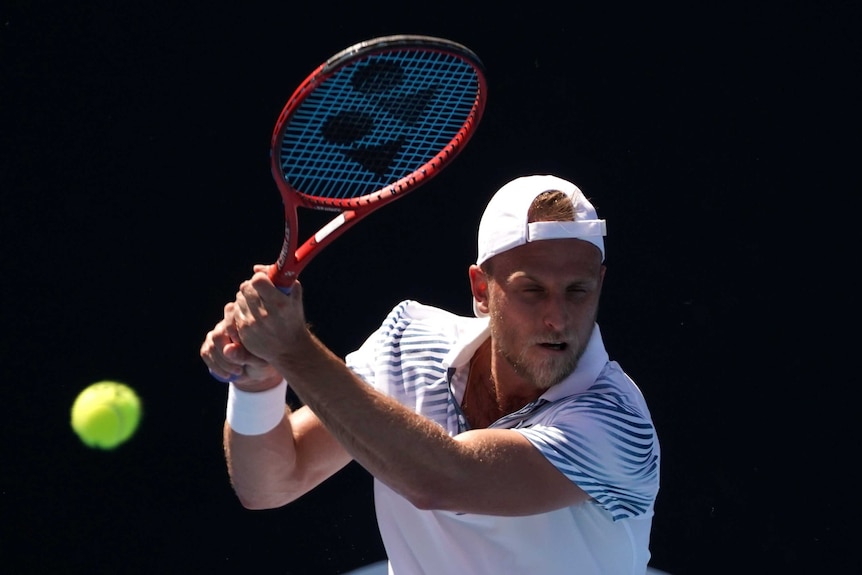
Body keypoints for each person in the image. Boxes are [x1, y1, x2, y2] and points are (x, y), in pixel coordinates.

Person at [201, 174, 661, 574]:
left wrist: (293, 350)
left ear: (599, 284)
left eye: (577, 291)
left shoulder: (615, 422)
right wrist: (259, 380)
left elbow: (445, 480)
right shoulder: (410, 342)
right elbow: (270, 483)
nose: (557, 317)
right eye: (532, 290)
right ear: (482, 291)